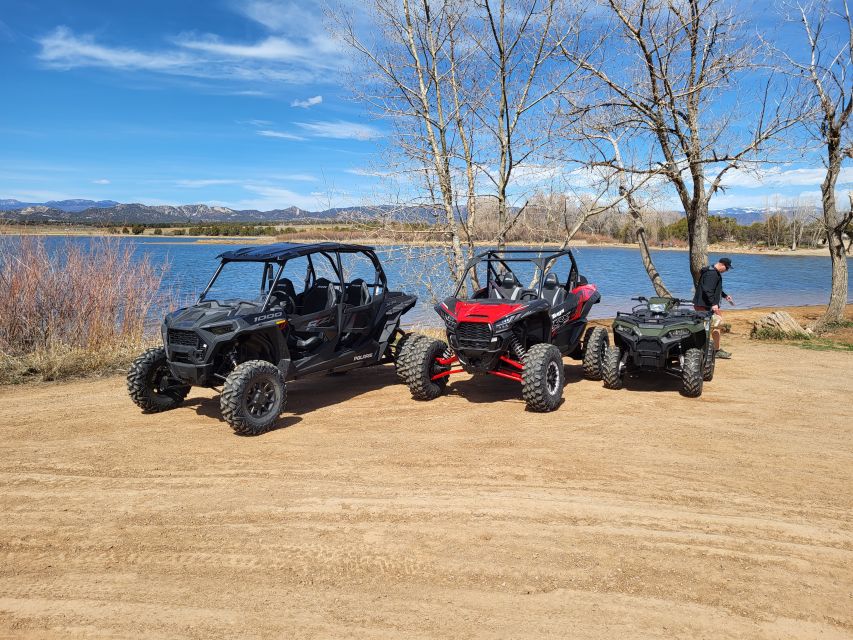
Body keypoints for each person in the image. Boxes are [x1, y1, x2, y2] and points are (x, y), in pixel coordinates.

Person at [693, 257, 735, 359]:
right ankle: (705, 350)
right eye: (727, 268)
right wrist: (713, 304)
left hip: (706, 305)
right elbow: (707, 290)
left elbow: (715, 288)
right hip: (704, 305)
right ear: (722, 264)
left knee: (715, 325)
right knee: (708, 326)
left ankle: (715, 350)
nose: (727, 270)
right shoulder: (712, 274)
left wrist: (725, 296)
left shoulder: (713, 272)